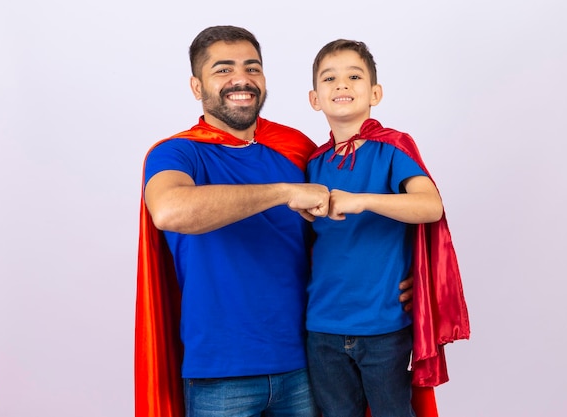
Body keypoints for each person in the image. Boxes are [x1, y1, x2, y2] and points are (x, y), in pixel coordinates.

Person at [134, 26, 416, 417]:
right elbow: (169, 211)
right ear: (197, 87)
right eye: (223, 70)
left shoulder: (297, 149)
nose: (241, 79)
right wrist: (283, 192)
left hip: (309, 362)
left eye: (252, 68)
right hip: (220, 374)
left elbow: (347, 229)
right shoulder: (176, 154)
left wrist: (404, 276)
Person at [304, 39, 470, 417]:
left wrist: (362, 199)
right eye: (330, 78)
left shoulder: (393, 148)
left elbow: (431, 206)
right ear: (315, 98)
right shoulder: (313, 163)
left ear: (374, 93)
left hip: (383, 327)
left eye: (354, 76)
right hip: (322, 327)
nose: (342, 85)